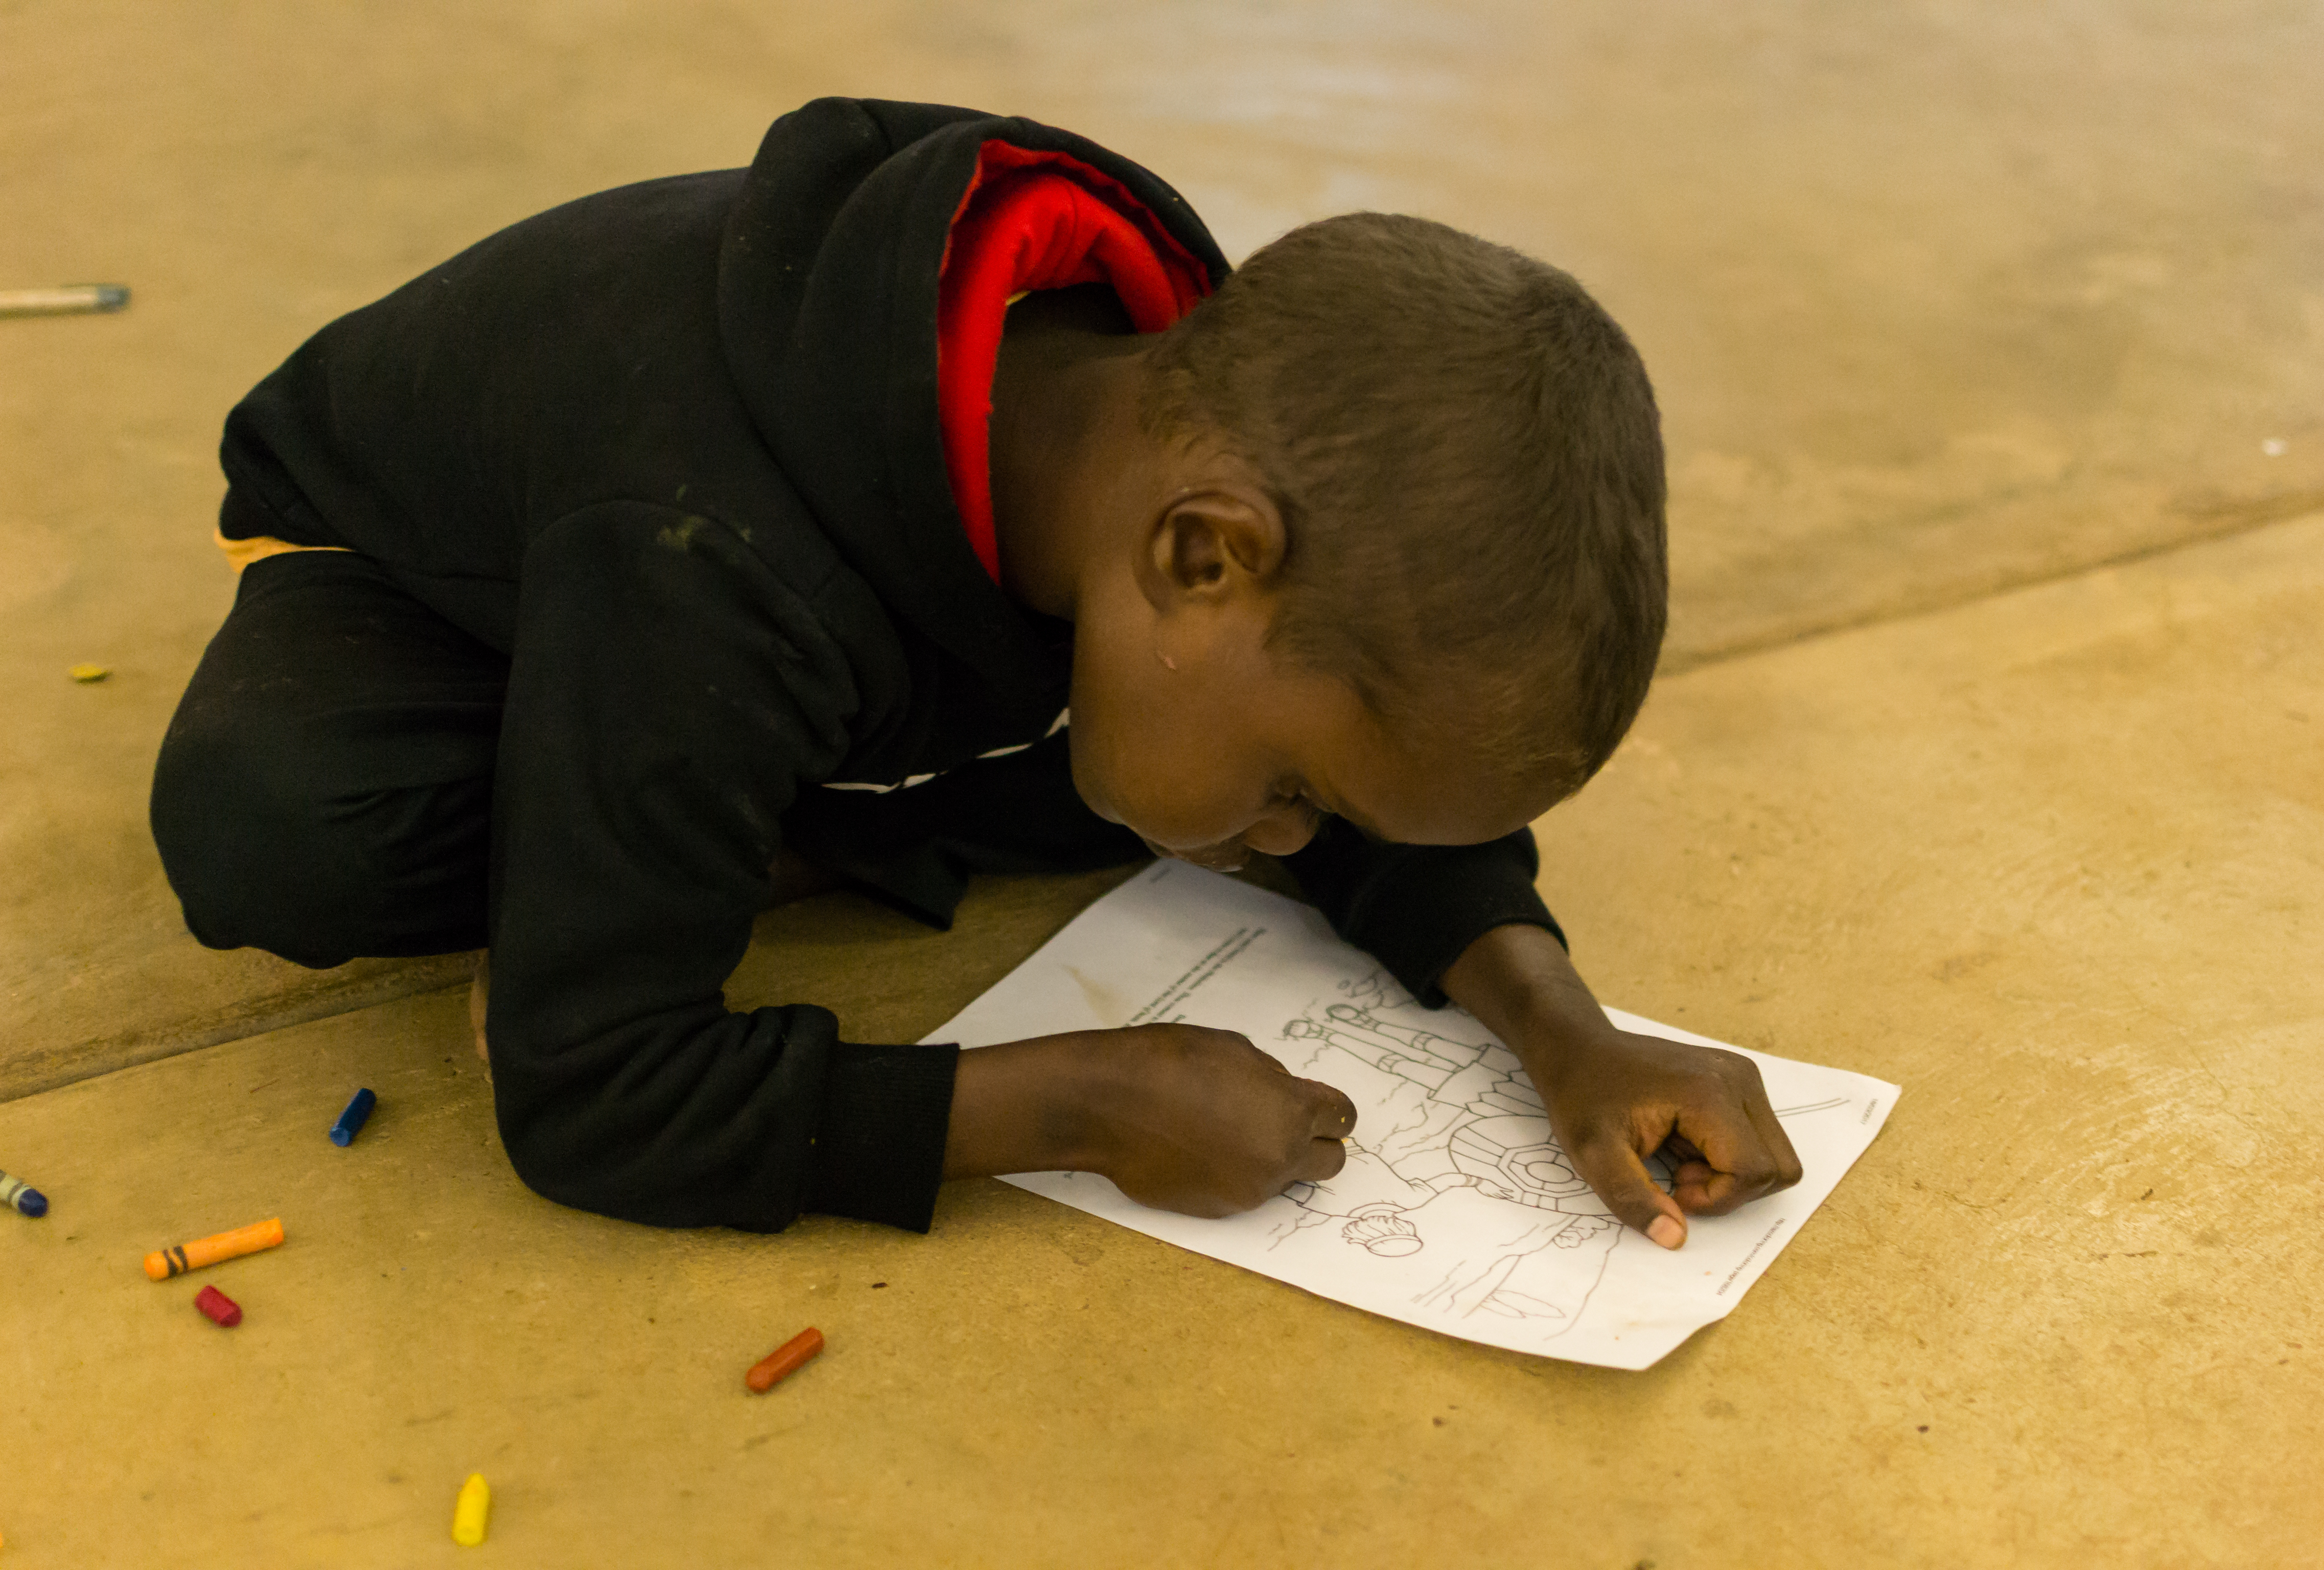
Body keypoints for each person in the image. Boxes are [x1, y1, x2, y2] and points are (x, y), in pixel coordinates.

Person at [150, 97, 1803, 1248]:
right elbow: (586, 1093)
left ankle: (749, 812)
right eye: (1307, 796)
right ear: (1200, 557)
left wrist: (1565, 1030)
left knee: (1168, 781)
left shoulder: (1179, 448)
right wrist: (1073, 1103)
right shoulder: (711, 569)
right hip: (442, 588)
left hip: (748, 619)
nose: (1301, 842)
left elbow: (1383, 771)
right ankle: (715, 817)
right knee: (280, 825)